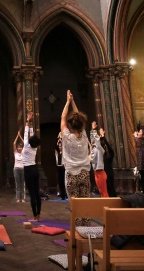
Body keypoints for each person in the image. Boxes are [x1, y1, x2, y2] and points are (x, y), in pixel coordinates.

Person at [60, 90, 91, 225]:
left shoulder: (67, 137)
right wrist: (73, 102)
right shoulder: (84, 135)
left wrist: (67, 101)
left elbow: (62, 118)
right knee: (85, 203)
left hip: (72, 174)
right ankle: (87, 231)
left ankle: (78, 231)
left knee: (75, 205)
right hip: (85, 173)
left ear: (70, 125)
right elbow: (77, 116)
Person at [22, 111, 42, 221]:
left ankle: (35, 216)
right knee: (37, 192)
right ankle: (38, 214)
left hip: (28, 170)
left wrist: (27, 120)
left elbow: (26, 132)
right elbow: (31, 134)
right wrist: (31, 122)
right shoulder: (34, 147)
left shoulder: (26, 145)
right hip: (35, 168)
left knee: (32, 194)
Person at [92, 127, 115, 197]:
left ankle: (113, 202)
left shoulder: (110, 154)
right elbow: (97, 145)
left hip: (109, 174)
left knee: (110, 190)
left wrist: (103, 137)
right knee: (103, 191)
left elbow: (107, 146)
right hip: (103, 173)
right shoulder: (102, 154)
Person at [13, 131, 25, 203]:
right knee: (17, 184)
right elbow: (14, 144)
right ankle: (18, 198)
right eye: (18, 147)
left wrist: (20, 136)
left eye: (20, 147)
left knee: (22, 184)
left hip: (23, 169)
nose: (19, 148)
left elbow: (25, 144)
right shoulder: (15, 153)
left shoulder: (23, 153)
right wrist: (17, 136)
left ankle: (22, 198)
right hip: (16, 169)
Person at [54, 136, 67, 200]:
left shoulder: (64, 152)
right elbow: (55, 146)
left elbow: (65, 146)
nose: (60, 147)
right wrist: (58, 139)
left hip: (63, 167)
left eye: (61, 146)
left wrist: (61, 140)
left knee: (65, 181)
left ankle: (66, 194)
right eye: (59, 146)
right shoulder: (57, 152)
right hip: (58, 167)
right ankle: (62, 195)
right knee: (60, 182)